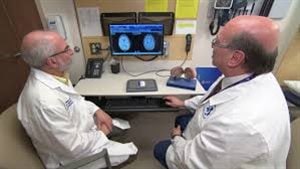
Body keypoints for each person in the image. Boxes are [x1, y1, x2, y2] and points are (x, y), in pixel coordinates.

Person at [154, 15, 291, 169]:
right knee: (183, 119)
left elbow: (190, 162)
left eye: (216, 42)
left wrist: (177, 138)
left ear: (235, 58)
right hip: (224, 145)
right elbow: (214, 99)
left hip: (218, 156)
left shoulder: (237, 124)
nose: (213, 47)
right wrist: (183, 102)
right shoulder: (250, 75)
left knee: (160, 148)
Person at [17, 30, 137, 169]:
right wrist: (102, 132)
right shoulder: (44, 102)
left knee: (123, 127)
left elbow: (76, 101)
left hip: (84, 131)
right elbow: (73, 148)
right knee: (132, 152)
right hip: (74, 159)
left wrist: (97, 110)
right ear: (52, 61)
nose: (72, 52)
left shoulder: (56, 75)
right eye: (66, 49)